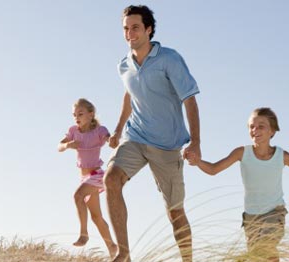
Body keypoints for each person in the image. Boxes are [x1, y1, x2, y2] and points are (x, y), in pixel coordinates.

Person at [105, 5, 202, 262]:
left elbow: (190, 99)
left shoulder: (169, 59)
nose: (129, 33)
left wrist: (196, 141)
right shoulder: (124, 65)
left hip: (167, 146)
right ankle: (123, 254)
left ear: (148, 29)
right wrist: (117, 130)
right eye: (126, 28)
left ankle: (187, 260)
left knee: (175, 211)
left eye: (135, 27)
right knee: (111, 180)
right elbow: (129, 95)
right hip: (135, 137)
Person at [186, 107, 289, 261]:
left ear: (272, 131)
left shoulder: (281, 156)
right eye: (252, 126)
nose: (255, 130)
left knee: (266, 249)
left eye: (261, 126)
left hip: (274, 212)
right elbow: (213, 169)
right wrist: (198, 162)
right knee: (258, 257)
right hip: (251, 218)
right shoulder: (242, 153)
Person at [58, 98, 118, 257]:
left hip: (96, 175)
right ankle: (112, 247)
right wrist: (67, 145)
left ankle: (84, 234)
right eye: (74, 115)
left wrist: (111, 140)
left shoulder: (99, 131)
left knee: (77, 196)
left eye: (80, 114)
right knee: (96, 217)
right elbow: (60, 146)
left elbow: (109, 138)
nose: (76, 117)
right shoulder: (73, 131)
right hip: (84, 178)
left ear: (91, 115)